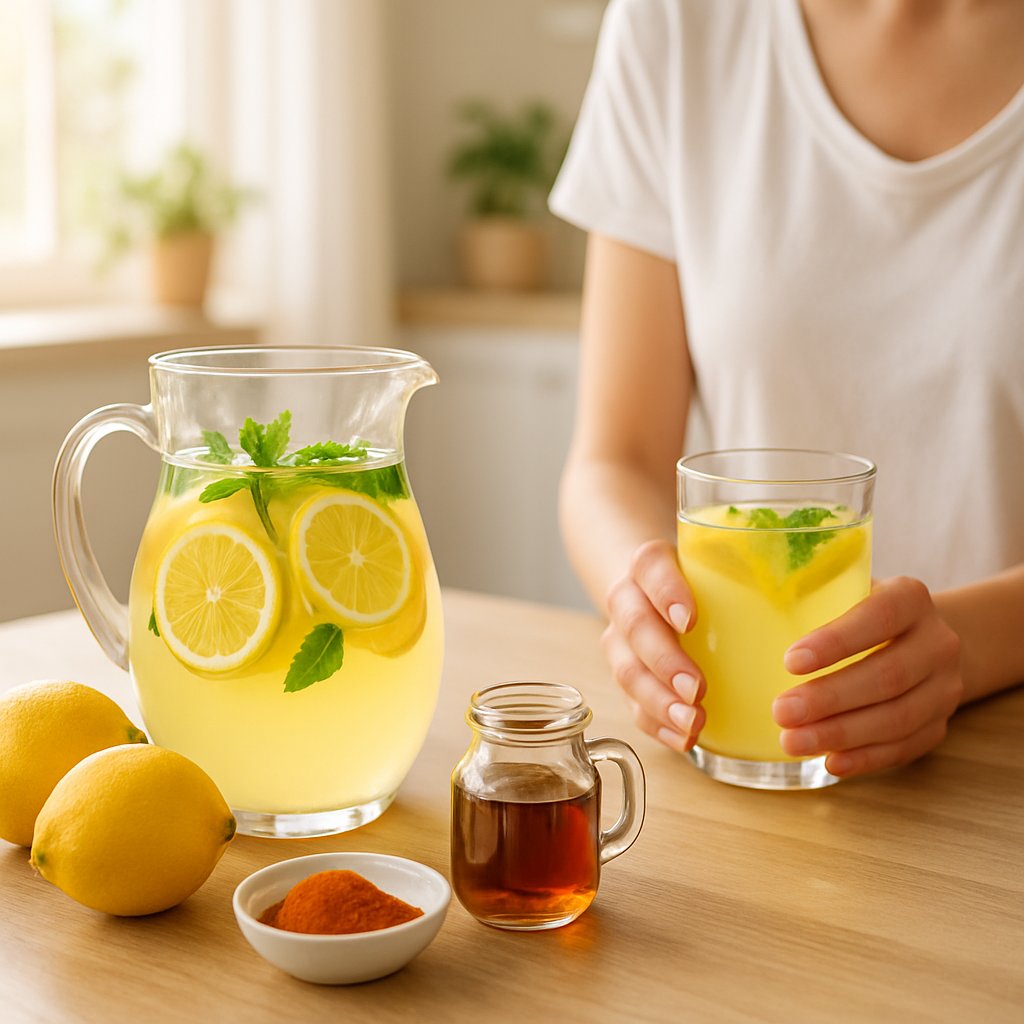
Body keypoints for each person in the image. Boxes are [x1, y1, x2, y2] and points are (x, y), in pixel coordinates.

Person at [548, 0, 1024, 778]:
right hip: (742, 745)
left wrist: (966, 646)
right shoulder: (677, 23)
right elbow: (615, 459)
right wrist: (642, 597)